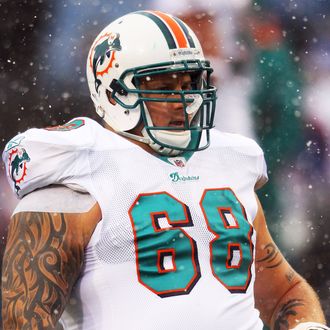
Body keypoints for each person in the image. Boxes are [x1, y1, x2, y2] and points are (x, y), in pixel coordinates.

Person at [1, 10, 328, 330]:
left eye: (190, 82)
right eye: (163, 85)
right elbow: (22, 316)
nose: (182, 99)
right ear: (115, 91)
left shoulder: (230, 160)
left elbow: (284, 292)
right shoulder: (76, 165)